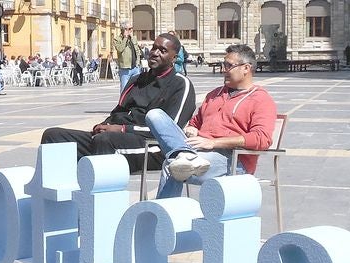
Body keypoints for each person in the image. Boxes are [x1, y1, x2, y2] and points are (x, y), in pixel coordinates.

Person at [145, 44, 275, 199]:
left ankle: (164, 218)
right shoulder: (214, 95)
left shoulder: (260, 99)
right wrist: (191, 129)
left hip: (232, 159)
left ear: (246, 68)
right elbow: (195, 122)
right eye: (222, 65)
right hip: (197, 151)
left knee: (173, 164)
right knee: (155, 115)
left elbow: (262, 139)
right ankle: (185, 155)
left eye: (228, 66)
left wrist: (214, 143)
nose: (223, 70)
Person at [40, 33, 195, 163]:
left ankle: (102, 196)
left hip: (154, 146)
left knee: (105, 141)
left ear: (174, 58)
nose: (155, 53)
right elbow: (118, 112)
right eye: (154, 47)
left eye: (162, 51)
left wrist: (121, 129)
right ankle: (59, 195)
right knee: (53, 136)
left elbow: (170, 132)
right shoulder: (137, 80)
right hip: (116, 136)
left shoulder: (180, 85)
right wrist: (104, 125)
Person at [114, 22, 140, 91]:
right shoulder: (117, 39)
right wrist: (125, 38)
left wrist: (138, 62)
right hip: (125, 69)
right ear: (124, 29)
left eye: (131, 28)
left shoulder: (133, 38)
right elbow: (120, 49)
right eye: (129, 29)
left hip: (135, 68)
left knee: (137, 89)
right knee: (124, 90)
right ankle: (123, 102)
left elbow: (137, 51)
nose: (131, 30)